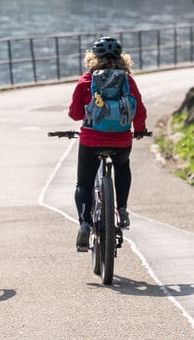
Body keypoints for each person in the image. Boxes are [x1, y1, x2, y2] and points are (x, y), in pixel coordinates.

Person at [67, 36, 148, 251]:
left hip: (91, 139)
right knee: (122, 166)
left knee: (83, 183)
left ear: (93, 58)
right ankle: (121, 210)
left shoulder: (86, 80)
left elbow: (75, 114)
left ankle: (85, 223)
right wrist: (139, 129)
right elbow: (139, 109)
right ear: (122, 59)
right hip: (121, 140)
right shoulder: (127, 81)